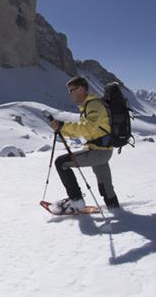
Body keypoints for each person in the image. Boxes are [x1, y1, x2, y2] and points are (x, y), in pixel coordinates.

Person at [49, 76, 120, 213]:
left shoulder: (93, 105)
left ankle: (76, 200)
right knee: (106, 187)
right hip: (101, 150)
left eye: (71, 90)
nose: (70, 94)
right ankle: (116, 209)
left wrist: (62, 127)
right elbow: (92, 130)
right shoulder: (90, 105)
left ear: (81, 89)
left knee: (61, 163)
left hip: (98, 151)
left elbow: (88, 128)